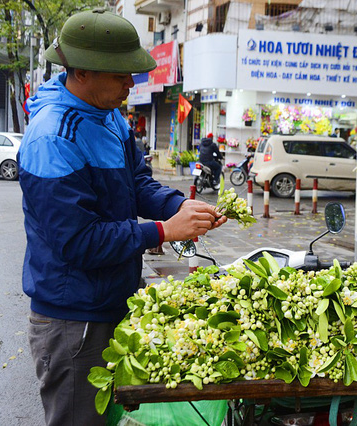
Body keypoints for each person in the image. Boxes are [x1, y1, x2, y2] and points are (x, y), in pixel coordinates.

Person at [17, 9, 227, 425]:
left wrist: (176, 206)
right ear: (81, 72)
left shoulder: (109, 116)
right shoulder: (53, 137)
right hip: (73, 319)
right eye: (120, 75)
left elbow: (137, 182)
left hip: (114, 300)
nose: (130, 85)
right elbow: (78, 243)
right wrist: (164, 231)